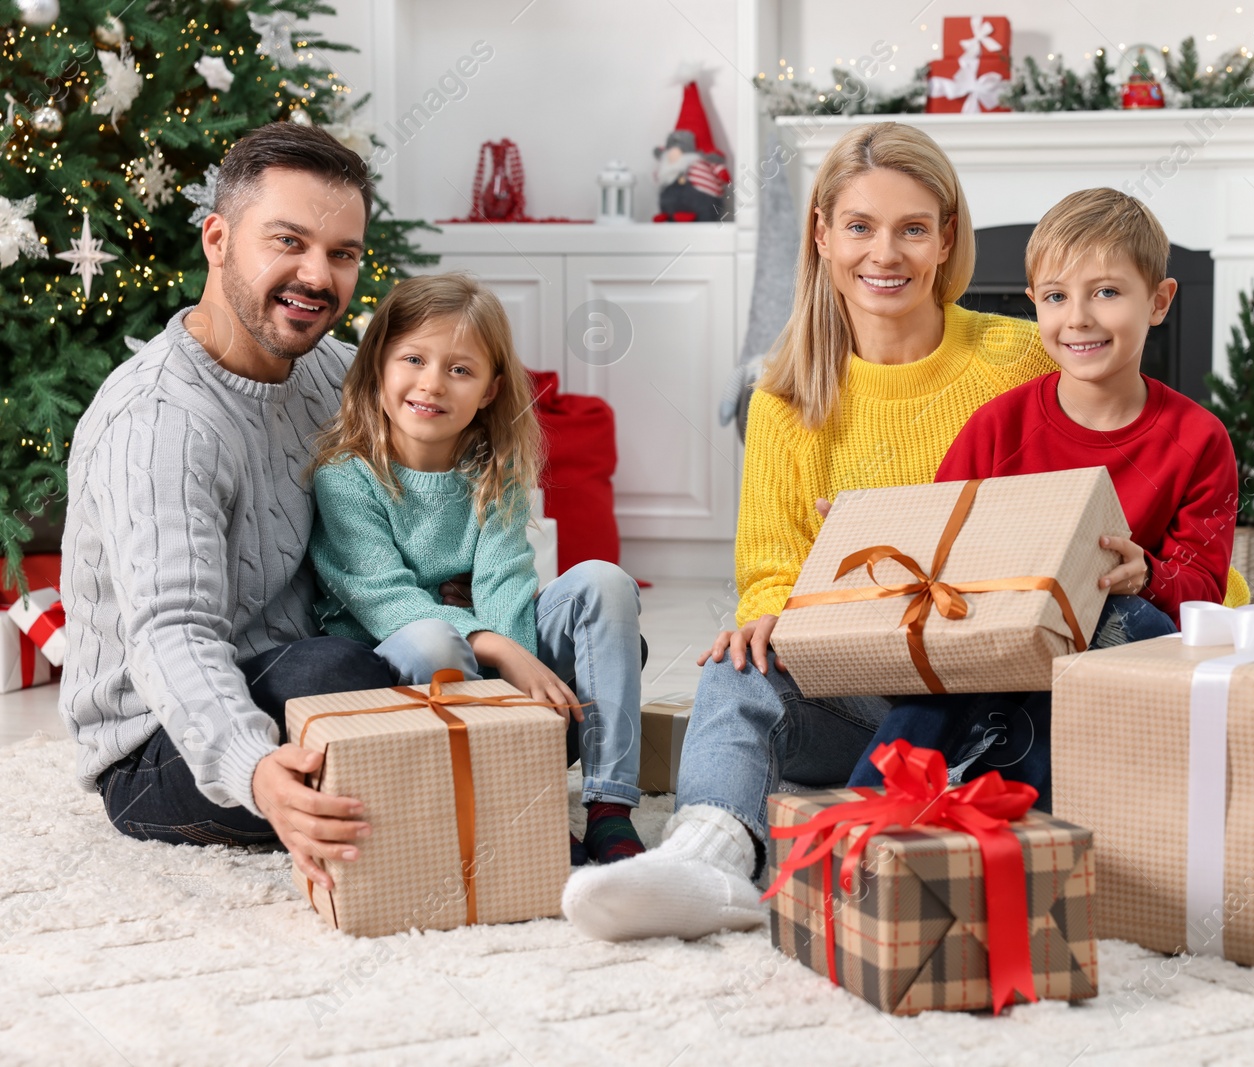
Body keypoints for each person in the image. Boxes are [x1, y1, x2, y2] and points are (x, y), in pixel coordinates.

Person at [561, 121, 1059, 941]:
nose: (885, 254)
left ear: (946, 241)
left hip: (992, 688)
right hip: (863, 690)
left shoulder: (1020, 358)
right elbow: (769, 566)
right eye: (860, 226)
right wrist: (769, 612)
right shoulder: (786, 395)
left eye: (912, 228)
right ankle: (708, 856)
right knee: (733, 667)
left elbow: (1092, 484)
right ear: (822, 235)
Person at [61, 123, 395, 893]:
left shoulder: (339, 374)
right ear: (217, 238)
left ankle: (427, 755)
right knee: (340, 672)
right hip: (162, 745)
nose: (318, 276)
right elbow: (172, 631)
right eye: (289, 241)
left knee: (567, 649)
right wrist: (253, 768)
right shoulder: (156, 419)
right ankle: (423, 761)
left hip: (313, 676)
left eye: (343, 253)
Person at [849, 187, 1246, 808]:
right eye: (1057, 297)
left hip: (1113, 644)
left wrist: (1148, 574)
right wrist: (866, 531)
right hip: (994, 634)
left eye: (1107, 293)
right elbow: (936, 550)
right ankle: (872, 810)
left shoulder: (1200, 440)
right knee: (954, 634)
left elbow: (1205, 593)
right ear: (1035, 305)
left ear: (1160, 301)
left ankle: (1008, 808)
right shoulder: (996, 426)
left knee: (1126, 623)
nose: (1079, 318)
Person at [307, 273, 646, 866]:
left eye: (460, 370)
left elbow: (504, 584)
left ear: (490, 390)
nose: (432, 384)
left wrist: (513, 679)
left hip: (494, 686)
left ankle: (608, 807)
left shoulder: (494, 472)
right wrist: (497, 647)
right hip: (405, 680)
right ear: (379, 369)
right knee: (436, 635)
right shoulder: (346, 476)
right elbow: (384, 598)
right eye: (413, 359)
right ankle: (510, 799)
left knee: (604, 582)